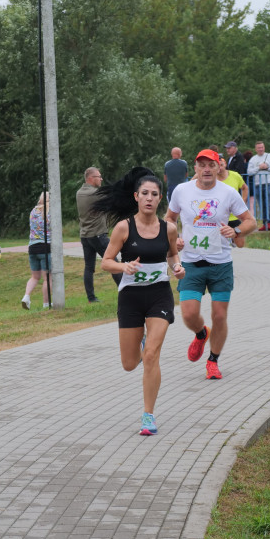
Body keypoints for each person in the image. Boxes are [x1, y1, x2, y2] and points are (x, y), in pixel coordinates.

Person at [95, 168, 186, 436]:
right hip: (131, 297)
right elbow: (105, 263)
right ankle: (142, 342)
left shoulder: (168, 228)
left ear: (160, 199)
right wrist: (123, 267)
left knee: (151, 356)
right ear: (136, 196)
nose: (149, 198)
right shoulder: (124, 227)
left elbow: (172, 257)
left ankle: (148, 416)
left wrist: (178, 268)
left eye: (154, 194)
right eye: (144, 193)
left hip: (159, 294)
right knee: (129, 363)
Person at [165, 148, 257, 380]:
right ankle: (200, 334)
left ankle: (213, 361)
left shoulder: (228, 193)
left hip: (220, 263)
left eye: (211, 165)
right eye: (202, 165)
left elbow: (251, 222)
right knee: (188, 314)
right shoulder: (181, 191)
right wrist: (173, 237)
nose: (207, 169)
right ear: (195, 169)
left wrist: (235, 229)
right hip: (192, 262)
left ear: (218, 168)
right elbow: (169, 218)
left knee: (219, 316)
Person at [77, 166, 113, 302]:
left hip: (85, 235)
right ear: (91, 178)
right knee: (113, 262)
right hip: (98, 235)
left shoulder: (79, 192)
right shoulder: (94, 194)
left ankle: (91, 298)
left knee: (89, 267)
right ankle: (125, 292)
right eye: (99, 176)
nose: (101, 179)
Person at [21, 192, 51, 309]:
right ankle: (46, 303)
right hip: (46, 247)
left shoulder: (33, 211)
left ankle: (26, 296)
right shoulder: (49, 212)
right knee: (47, 278)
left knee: (35, 277)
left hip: (32, 247)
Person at [246, 141, 270, 231]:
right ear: (256, 149)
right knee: (261, 205)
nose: (261, 149)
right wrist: (259, 168)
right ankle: (264, 223)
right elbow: (249, 172)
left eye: (262, 147)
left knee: (269, 204)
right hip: (257, 185)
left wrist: (267, 167)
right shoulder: (253, 159)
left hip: (268, 183)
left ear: (264, 147)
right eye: (259, 148)